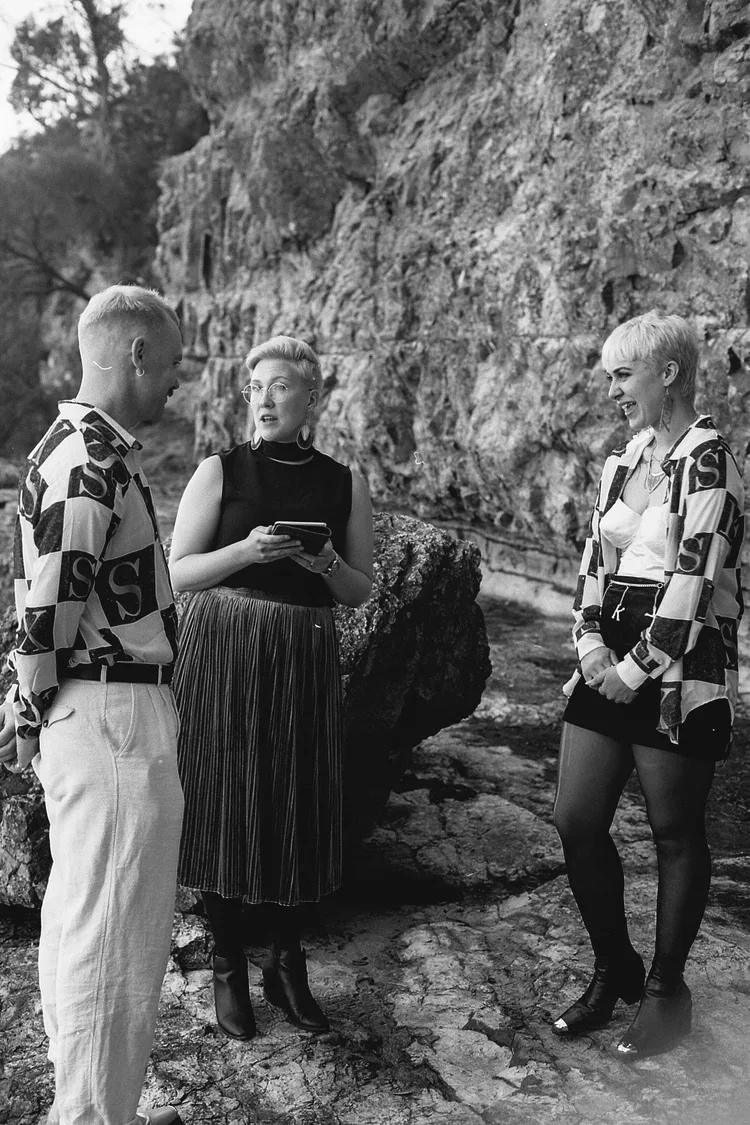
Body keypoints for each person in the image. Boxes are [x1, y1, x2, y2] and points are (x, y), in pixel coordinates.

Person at [0, 285, 185, 1125]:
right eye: (172, 363)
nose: (176, 384)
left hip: (97, 712)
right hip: (111, 715)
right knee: (114, 942)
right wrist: (28, 710)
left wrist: (32, 712)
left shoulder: (67, 444)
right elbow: (48, 612)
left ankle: (83, 1110)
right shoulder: (91, 458)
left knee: (85, 925)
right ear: (136, 353)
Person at [552, 310, 744, 1059]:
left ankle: (667, 992)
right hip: (611, 655)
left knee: (673, 833)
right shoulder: (624, 459)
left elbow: (695, 581)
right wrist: (591, 641)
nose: (613, 392)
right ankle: (615, 966)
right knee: (575, 818)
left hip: (680, 668)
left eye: (622, 375)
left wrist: (637, 669)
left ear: (667, 373)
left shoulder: (711, 460)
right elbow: (593, 563)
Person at [169, 334, 373, 1040]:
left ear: (313, 398)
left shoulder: (345, 481)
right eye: (256, 384)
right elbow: (175, 572)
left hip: (304, 649)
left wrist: (322, 565)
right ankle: (228, 963)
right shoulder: (218, 469)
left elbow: (359, 589)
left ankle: (288, 966)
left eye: (281, 384)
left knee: (298, 799)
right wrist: (245, 552)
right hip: (222, 648)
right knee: (225, 795)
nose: (264, 397)